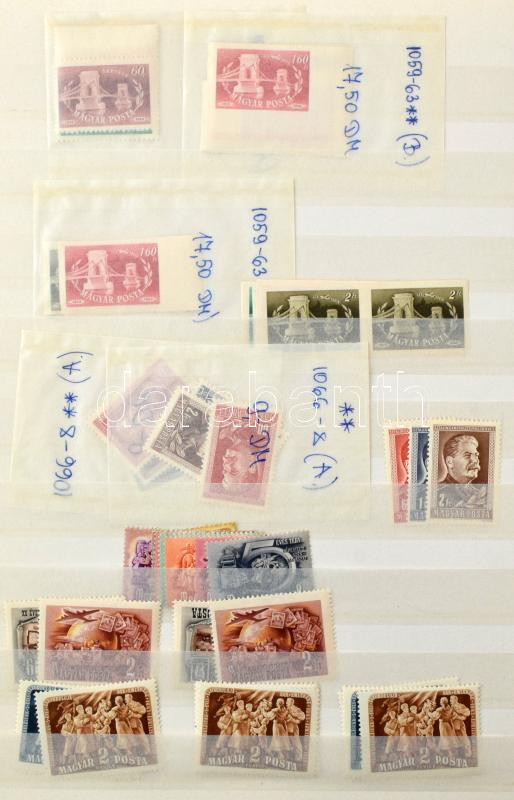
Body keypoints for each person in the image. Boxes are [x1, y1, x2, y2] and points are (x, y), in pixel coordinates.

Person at [285, 696, 305, 761]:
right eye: (286, 701)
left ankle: (298, 758)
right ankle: (290, 758)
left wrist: (293, 717)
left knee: (296, 743)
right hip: (287, 729)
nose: (286, 703)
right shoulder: (286, 709)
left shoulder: (296, 709)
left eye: (287, 701)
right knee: (288, 743)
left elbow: (302, 717)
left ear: (292, 702)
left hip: (293, 729)